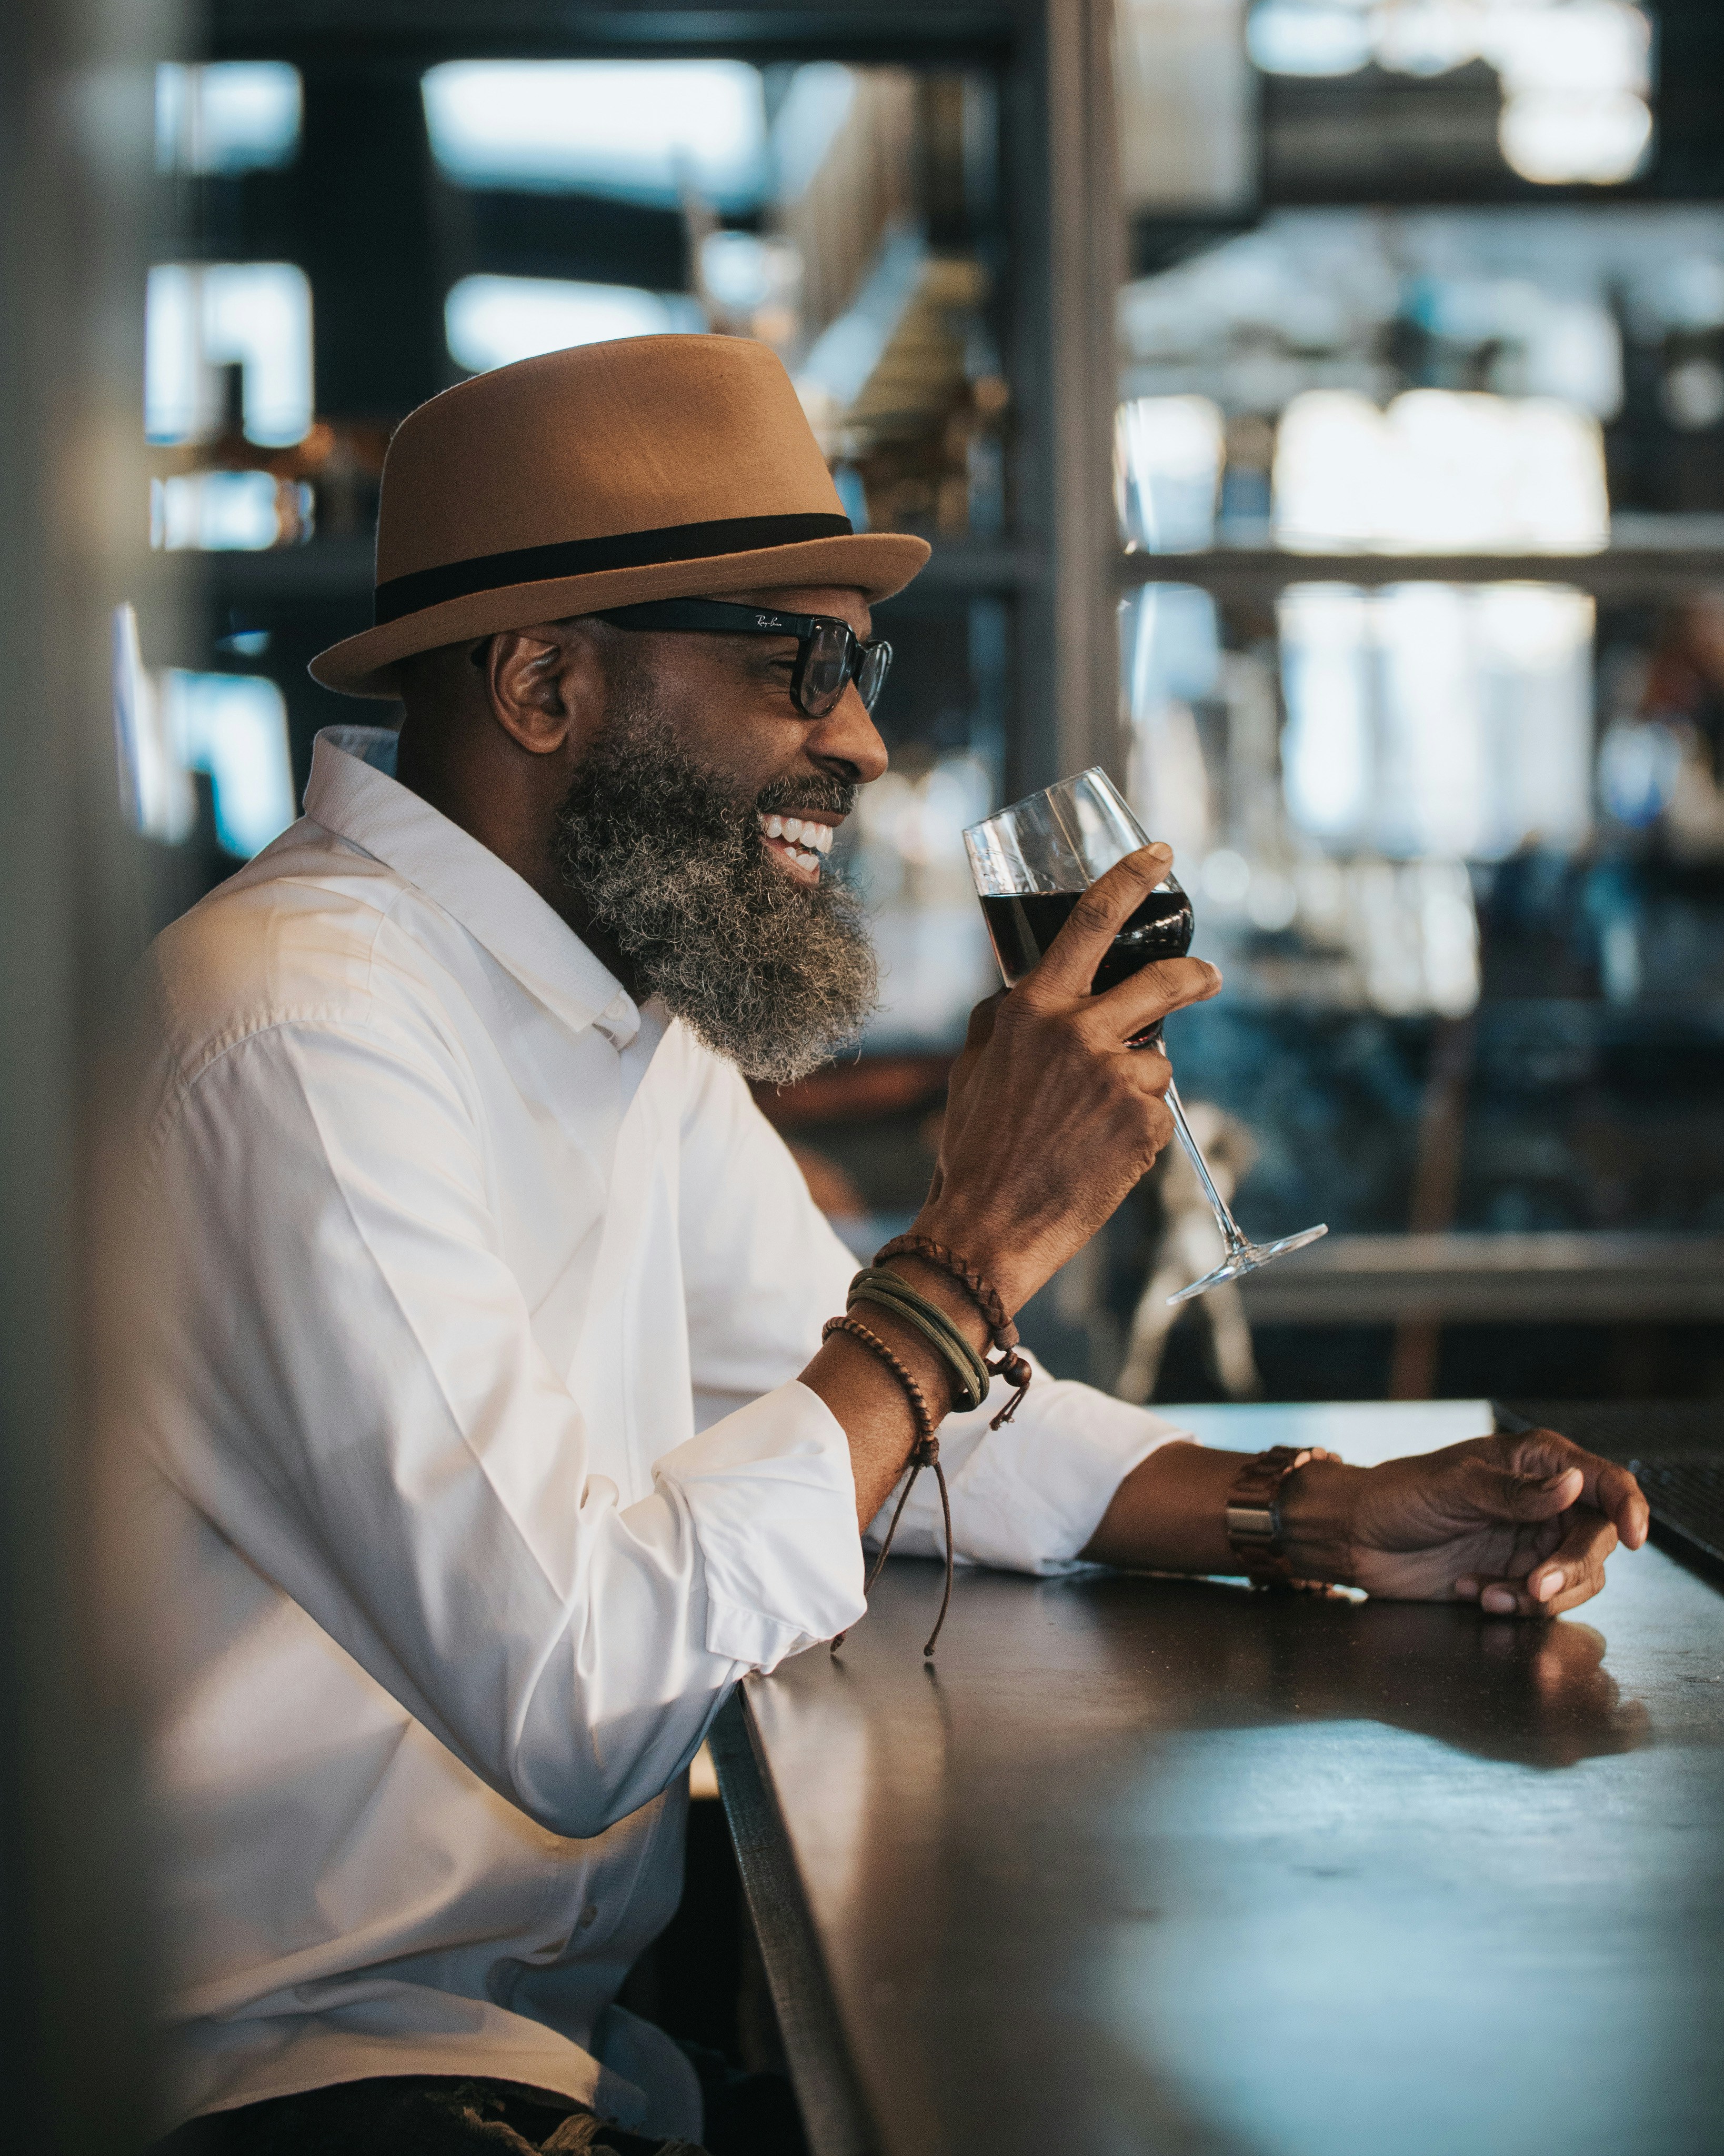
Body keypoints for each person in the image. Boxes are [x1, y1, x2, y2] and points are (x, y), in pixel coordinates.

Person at [124, 337, 1648, 2156]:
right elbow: (579, 1691)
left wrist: (1312, 1514)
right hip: (280, 2083)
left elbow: (900, 1410)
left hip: (541, 2037)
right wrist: (966, 1256)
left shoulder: (598, 1008)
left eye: (865, 665)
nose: (857, 737)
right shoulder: (298, 1029)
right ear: (542, 684)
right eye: (803, 658)